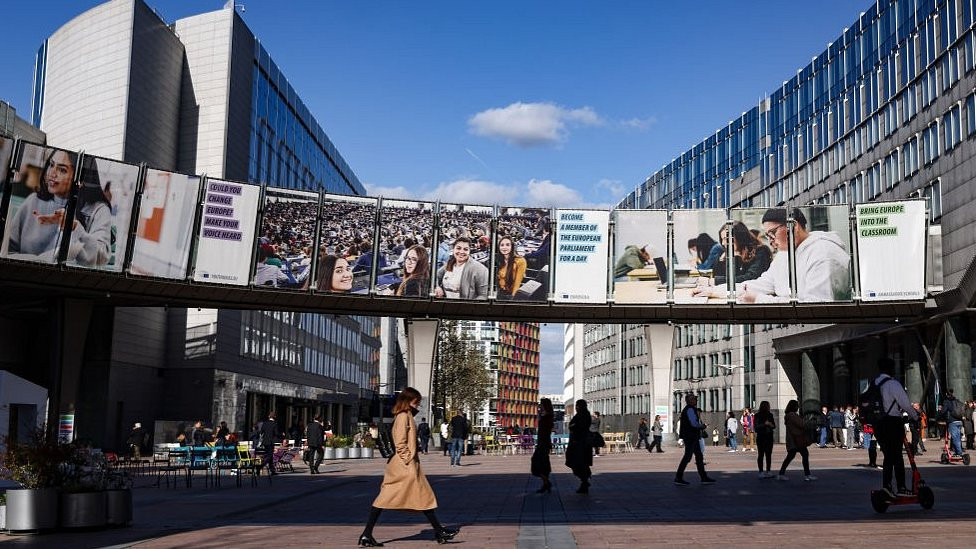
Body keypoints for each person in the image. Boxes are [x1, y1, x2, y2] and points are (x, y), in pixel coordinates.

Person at [358, 387, 458, 547]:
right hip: (404, 466)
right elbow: (400, 442)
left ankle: (439, 531)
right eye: (415, 401)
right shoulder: (403, 416)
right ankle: (439, 531)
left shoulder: (406, 415)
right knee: (397, 497)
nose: (417, 404)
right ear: (408, 401)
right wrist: (408, 459)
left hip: (405, 464)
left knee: (420, 496)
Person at [6, 149, 110, 265]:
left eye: (62, 170)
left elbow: (101, 259)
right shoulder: (33, 201)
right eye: (51, 165)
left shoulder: (98, 211)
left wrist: (74, 227)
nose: (52, 173)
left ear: (80, 180)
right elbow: (8, 249)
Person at [736, 208, 851, 303]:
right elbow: (764, 283)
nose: (770, 241)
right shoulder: (784, 254)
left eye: (772, 233)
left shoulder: (824, 253)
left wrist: (758, 299)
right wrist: (728, 290)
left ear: (793, 226)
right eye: (767, 236)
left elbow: (817, 306)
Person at [872, 358, 918, 497]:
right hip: (892, 422)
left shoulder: (873, 383)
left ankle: (887, 486)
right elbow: (905, 404)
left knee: (888, 456)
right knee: (897, 456)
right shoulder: (893, 384)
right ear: (890, 369)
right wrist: (915, 417)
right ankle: (901, 487)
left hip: (878, 424)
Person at [674, 394, 716, 486]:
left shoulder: (688, 409)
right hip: (691, 437)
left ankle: (703, 477)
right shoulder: (690, 409)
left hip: (692, 437)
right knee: (688, 457)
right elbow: (693, 423)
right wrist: (702, 426)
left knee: (698, 457)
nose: (696, 400)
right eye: (695, 399)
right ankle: (678, 477)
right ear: (690, 400)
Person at [776, 400, 816, 481]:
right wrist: (809, 420)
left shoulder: (788, 415)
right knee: (804, 455)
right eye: (797, 405)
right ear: (794, 406)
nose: (798, 407)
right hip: (797, 439)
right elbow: (801, 424)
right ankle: (807, 475)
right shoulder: (792, 415)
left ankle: (781, 474)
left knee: (791, 456)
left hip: (793, 439)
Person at [565, 399, 593, 494]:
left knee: (578, 462)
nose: (576, 407)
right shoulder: (581, 415)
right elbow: (572, 425)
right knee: (577, 462)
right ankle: (584, 481)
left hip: (580, 444)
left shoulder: (583, 415)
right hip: (577, 443)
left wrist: (573, 426)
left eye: (578, 406)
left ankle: (584, 481)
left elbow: (576, 426)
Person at [531, 398, 554, 493]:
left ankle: (546, 482)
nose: (540, 406)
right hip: (542, 442)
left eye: (541, 404)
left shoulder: (547, 417)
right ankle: (546, 483)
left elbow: (546, 431)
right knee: (542, 462)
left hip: (544, 443)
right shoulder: (544, 416)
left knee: (538, 461)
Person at [754, 401, 776, 478]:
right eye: (768, 406)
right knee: (761, 454)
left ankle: (768, 471)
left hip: (769, 436)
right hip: (761, 437)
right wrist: (765, 424)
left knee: (768, 454)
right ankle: (761, 471)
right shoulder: (757, 415)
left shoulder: (770, 415)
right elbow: (756, 427)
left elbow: (774, 426)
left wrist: (770, 424)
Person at [940, 388, 965, 457]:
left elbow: (943, 411)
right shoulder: (957, 400)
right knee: (958, 437)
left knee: (955, 438)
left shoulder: (947, 401)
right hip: (959, 421)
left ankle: (959, 453)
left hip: (952, 421)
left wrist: (940, 413)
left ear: (946, 394)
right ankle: (957, 452)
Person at [259, 411, 283, 476]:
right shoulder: (274, 424)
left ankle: (272, 470)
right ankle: (260, 466)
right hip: (271, 442)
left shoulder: (265, 423)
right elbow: (276, 433)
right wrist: (281, 434)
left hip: (265, 442)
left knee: (270, 456)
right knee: (269, 456)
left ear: (269, 416)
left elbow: (261, 432)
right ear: (274, 417)